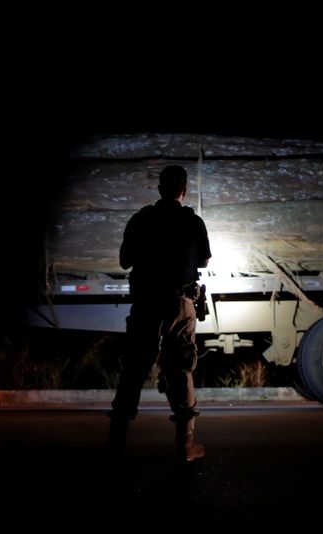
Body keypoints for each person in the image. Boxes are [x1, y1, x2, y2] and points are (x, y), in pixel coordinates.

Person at [106, 164, 212, 462]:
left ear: (160, 188)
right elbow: (203, 261)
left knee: (135, 368)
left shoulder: (141, 220)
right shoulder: (193, 222)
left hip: (146, 302)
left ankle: (116, 444)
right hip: (179, 302)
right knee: (180, 368)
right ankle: (185, 444)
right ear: (184, 189)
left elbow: (126, 260)